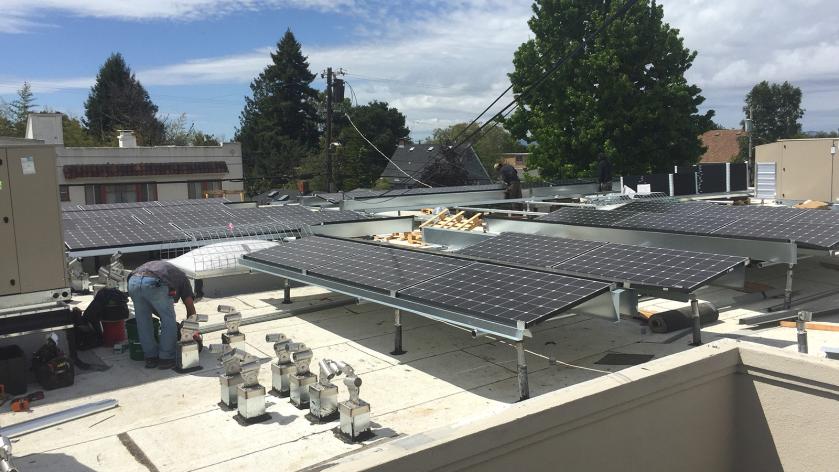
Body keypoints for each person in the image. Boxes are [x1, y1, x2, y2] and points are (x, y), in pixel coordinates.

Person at [128, 260, 196, 369]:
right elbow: (190, 308)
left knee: (143, 320)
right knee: (169, 320)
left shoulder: (170, 272)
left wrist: (168, 319)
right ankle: (166, 358)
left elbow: (154, 308)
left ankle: (151, 357)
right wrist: (191, 330)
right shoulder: (183, 279)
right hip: (154, 282)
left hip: (133, 282)